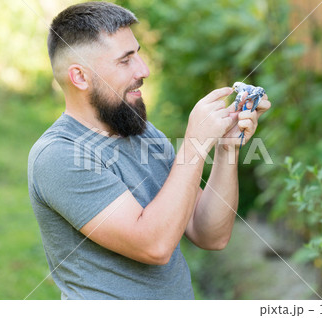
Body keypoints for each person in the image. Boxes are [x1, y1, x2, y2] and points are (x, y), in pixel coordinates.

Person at [28, 1, 270, 300]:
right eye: (125, 60)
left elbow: (210, 234)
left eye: (138, 54)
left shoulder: (141, 132)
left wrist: (226, 148)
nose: (144, 69)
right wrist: (194, 144)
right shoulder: (58, 156)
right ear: (80, 77)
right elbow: (153, 245)